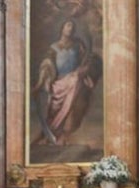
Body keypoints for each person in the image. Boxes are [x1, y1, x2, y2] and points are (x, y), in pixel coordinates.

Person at [32, 18, 101, 146]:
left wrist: (83, 70)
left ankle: (63, 136)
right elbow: (47, 64)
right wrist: (45, 78)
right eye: (68, 26)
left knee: (76, 83)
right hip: (59, 83)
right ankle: (51, 135)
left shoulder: (77, 45)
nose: (70, 28)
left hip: (75, 79)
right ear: (62, 28)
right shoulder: (53, 47)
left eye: (72, 26)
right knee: (52, 109)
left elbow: (86, 59)